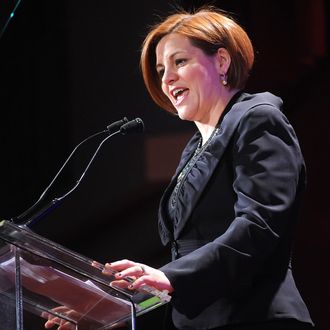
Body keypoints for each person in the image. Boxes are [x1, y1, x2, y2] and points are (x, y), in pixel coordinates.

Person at [45, 6, 315, 330]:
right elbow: (185, 269)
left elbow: (260, 227)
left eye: (180, 61)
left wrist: (167, 277)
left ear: (222, 62)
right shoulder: (193, 150)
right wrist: (109, 316)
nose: (167, 78)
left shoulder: (258, 119)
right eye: (161, 69)